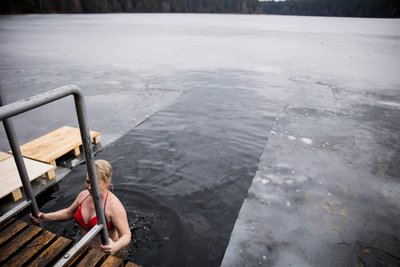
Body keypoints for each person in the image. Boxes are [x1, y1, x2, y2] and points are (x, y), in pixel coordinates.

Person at [30, 159, 131, 255]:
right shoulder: (83, 195)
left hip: (109, 254)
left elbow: (126, 235)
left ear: (107, 183)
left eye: (94, 183)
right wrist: (44, 217)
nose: (89, 187)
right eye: (88, 181)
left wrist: (115, 246)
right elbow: (68, 213)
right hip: (84, 247)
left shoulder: (114, 206)